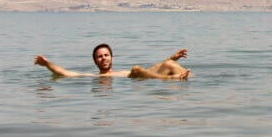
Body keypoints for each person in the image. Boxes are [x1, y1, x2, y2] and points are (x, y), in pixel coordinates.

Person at [35, 43, 190, 80]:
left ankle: (186, 78)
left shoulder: (121, 73)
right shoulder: (95, 78)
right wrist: (47, 63)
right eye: (99, 56)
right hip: (141, 82)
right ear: (95, 61)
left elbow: (151, 69)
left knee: (170, 64)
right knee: (136, 69)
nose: (103, 58)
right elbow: (64, 73)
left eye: (106, 55)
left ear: (112, 58)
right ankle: (172, 79)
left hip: (145, 79)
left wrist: (172, 58)